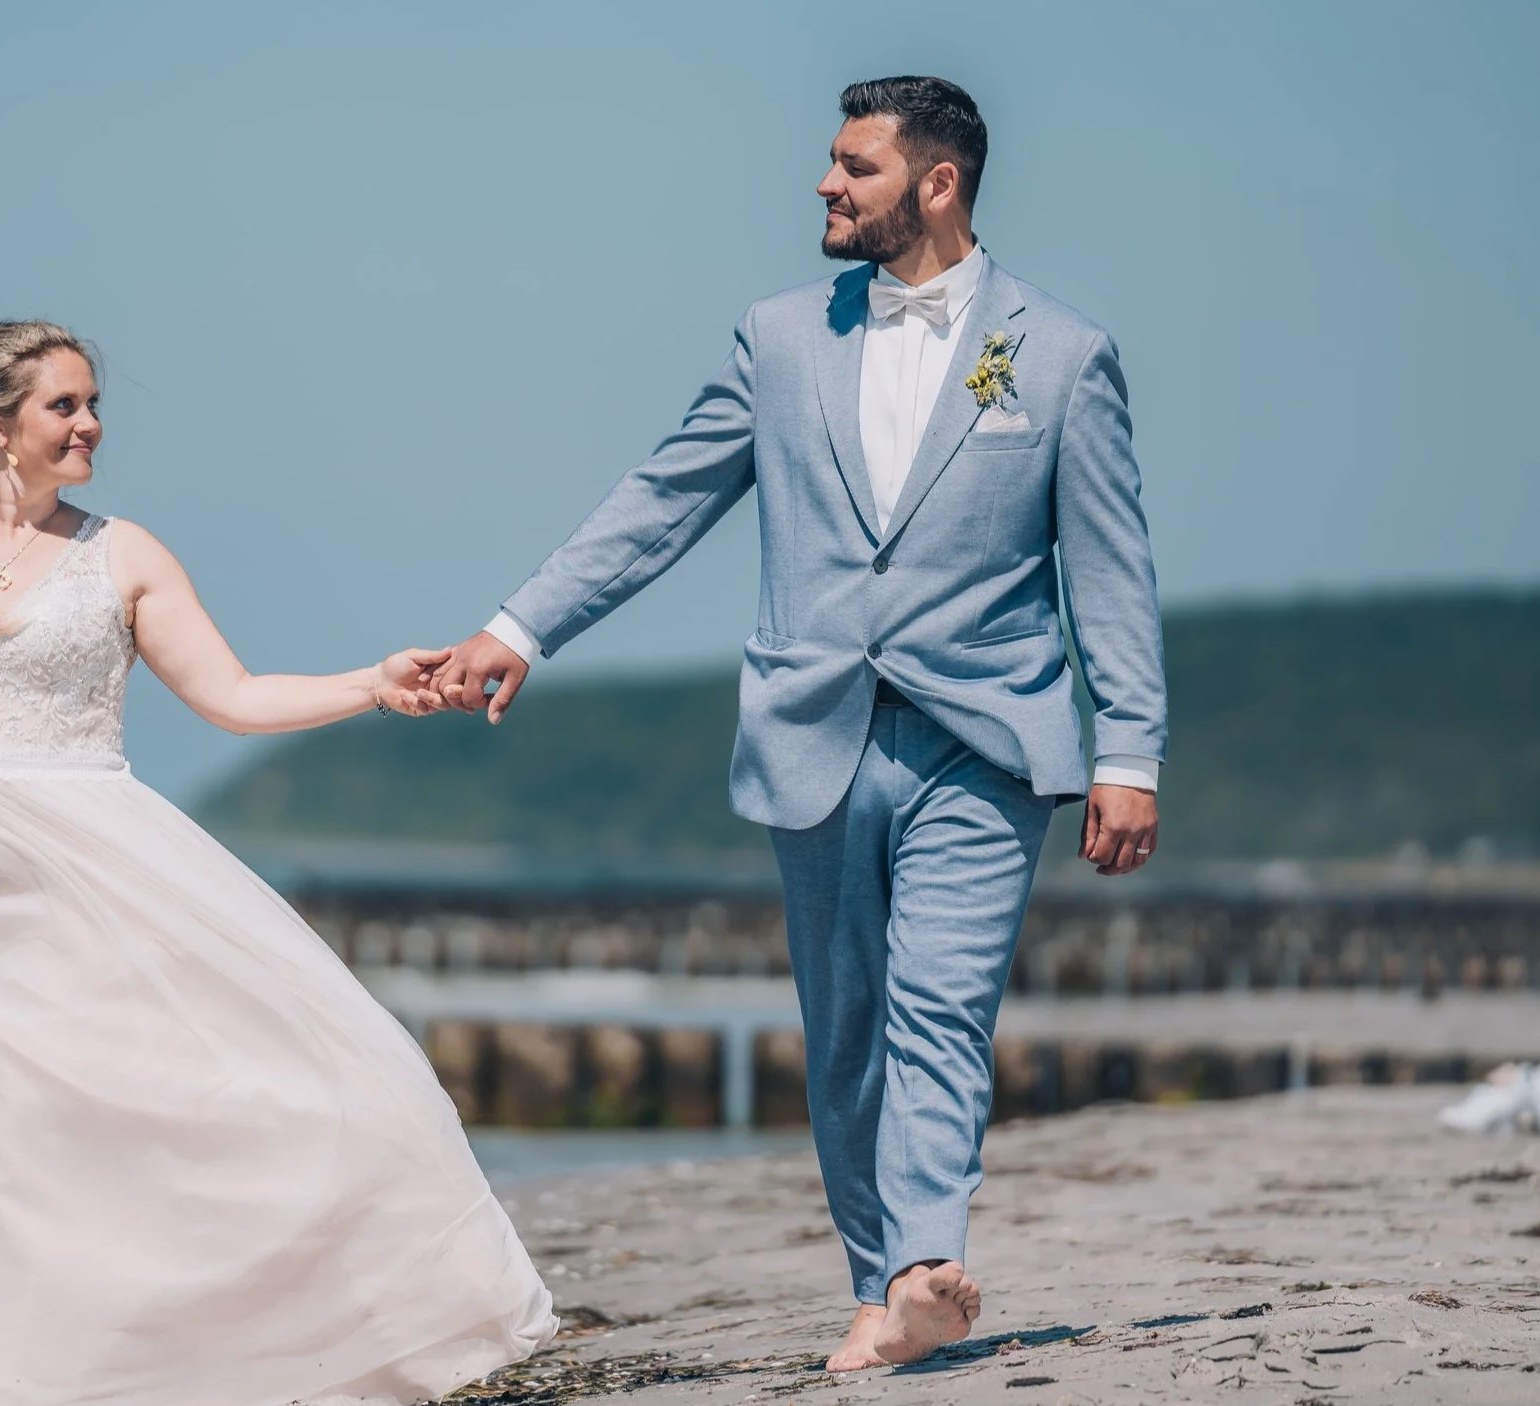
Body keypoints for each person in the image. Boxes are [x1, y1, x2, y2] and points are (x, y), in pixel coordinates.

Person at [431, 76, 1168, 1369]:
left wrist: (1128, 750)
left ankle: (924, 1262)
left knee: (940, 1007)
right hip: (813, 730)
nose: (825, 186)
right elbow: (661, 499)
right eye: (830, 166)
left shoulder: (1059, 354)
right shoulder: (776, 340)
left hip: (986, 740)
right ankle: (879, 1281)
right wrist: (520, 626)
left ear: (936, 183)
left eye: (854, 167)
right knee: (845, 1037)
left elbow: (1110, 566)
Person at [0, 319, 558, 1404]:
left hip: (92, 869)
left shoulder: (123, 551)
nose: (90, 424)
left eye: (91, 402)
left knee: (167, 1111)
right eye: (63, 405)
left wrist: (371, 679)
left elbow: (233, 695)